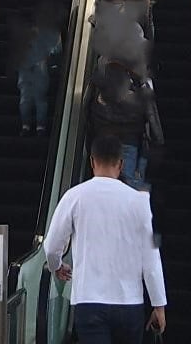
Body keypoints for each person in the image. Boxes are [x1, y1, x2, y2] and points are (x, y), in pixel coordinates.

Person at [42, 134, 168, 344]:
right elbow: (151, 257)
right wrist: (158, 305)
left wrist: (56, 265)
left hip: (88, 302)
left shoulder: (75, 197)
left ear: (92, 161)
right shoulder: (139, 202)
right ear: (121, 163)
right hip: (130, 304)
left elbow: (52, 244)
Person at [87, 60, 160, 191]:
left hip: (103, 141)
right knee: (127, 186)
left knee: (103, 186)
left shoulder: (101, 80)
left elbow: (90, 110)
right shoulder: (138, 85)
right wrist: (157, 139)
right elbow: (149, 114)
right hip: (129, 141)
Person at [15, 2, 65, 136]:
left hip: (27, 68)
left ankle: (27, 126)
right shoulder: (52, 33)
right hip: (39, 67)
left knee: (27, 97)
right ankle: (39, 127)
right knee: (39, 98)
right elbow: (56, 51)